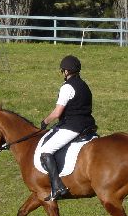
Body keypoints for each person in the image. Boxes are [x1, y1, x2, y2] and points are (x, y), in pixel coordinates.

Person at [38, 55, 96, 201]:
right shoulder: (84, 85)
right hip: (88, 125)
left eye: (62, 70)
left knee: (45, 151)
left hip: (72, 127)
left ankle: (57, 186)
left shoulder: (67, 87)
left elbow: (57, 112)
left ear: (66, 71)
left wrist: (45, 121)